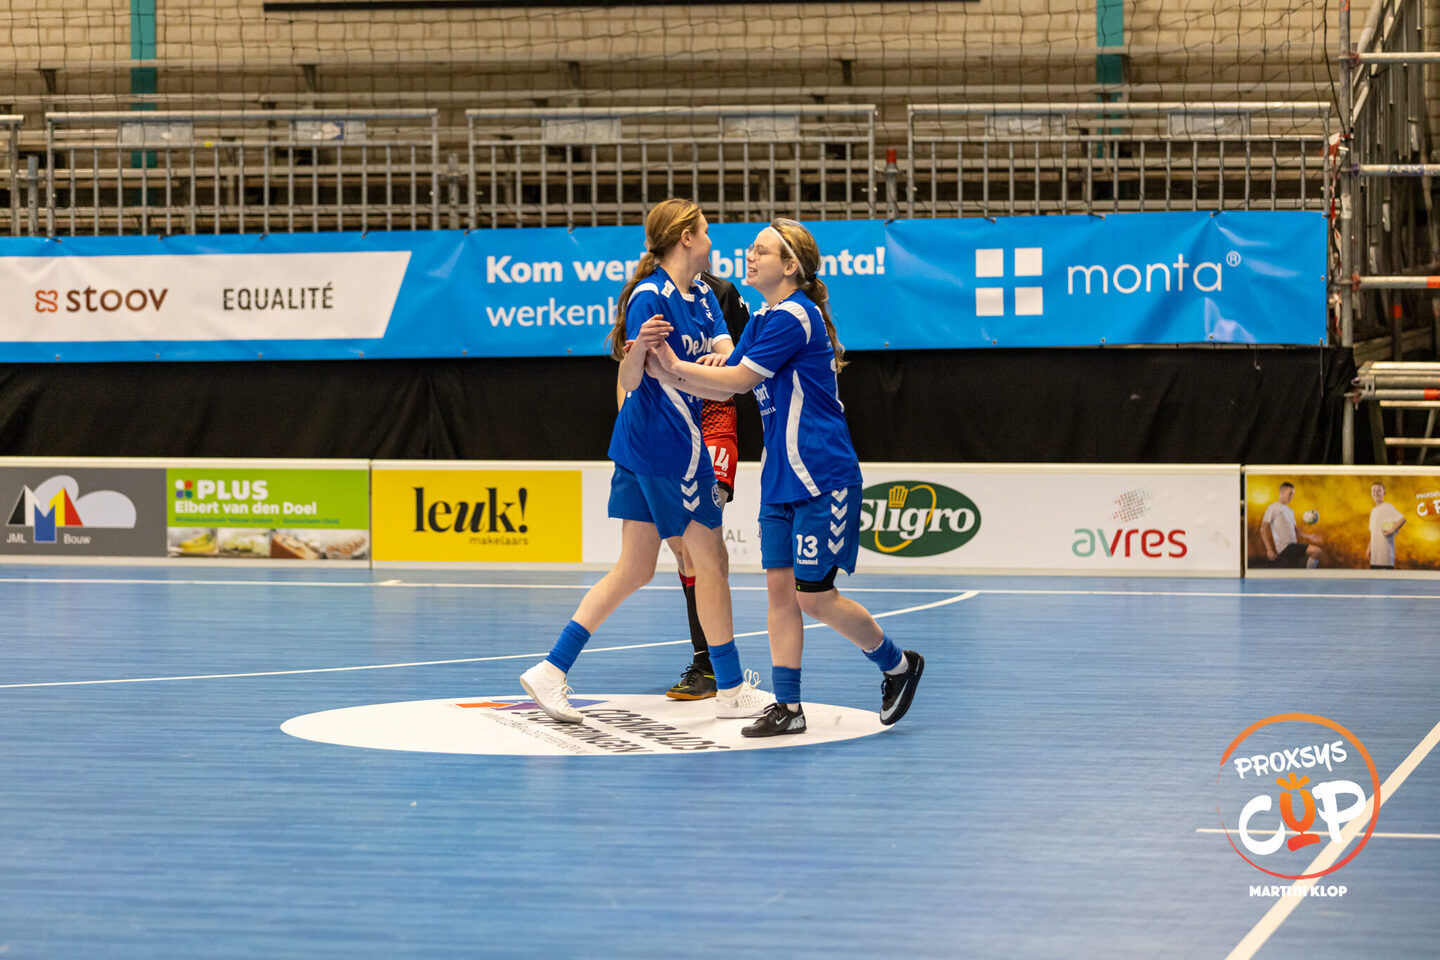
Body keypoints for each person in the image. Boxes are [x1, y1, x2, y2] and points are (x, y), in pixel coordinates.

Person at [640, 218, 924, 737]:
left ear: (790, 266)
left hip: (821, 473)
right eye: (751, 248)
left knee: (813, 596)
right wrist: (678, 366)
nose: (749, 256)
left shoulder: (795, 315)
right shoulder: (764, 317)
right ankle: (788, 707)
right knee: (778, 594)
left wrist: (672, 367)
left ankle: (898, 664)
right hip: (778, 478)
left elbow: (737, 379)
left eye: (762, 251)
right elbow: (727, 381)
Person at [519, 198, 769, 723]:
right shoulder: (648, 296)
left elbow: (724, 352)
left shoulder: (704, 295)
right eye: (705, 232)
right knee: (711, 563)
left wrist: (721, 361)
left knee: (634, 568)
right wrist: (640, 353)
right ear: (685, 238)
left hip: (641, 446)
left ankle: (551, 669)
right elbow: (633, 378)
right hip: (668, 446)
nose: (712, 241)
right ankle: (729, 689)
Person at [665, 272, 750, 701]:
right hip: (670, 428)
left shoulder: (721, 293)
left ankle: (713, 664)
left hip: (714, 422)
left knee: (702, 541)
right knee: (682, 548)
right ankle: (709, 659)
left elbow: (747, 361)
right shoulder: (648, 290)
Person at [1260, 481, 1322, 569]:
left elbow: (1296, 530)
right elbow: (1263, 529)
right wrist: (1269, 549)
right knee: (1316, 551)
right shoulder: (1272, 508)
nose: (1291, 497)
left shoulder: (1290, 511)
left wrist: (1310, 536)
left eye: (1292, 494)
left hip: (1293, 546)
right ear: (1282, 492)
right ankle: (1308, 575)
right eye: (1290, 494)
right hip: (1285, 547)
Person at [1366, 481, 1406, 570]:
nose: (1376, 493)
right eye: (1373, 491)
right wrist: (1369, 548)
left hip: (1385, 556)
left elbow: (1402, 519)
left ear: (1384, 493)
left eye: (1379, 490)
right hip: (1374, 557)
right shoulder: (1373, 511)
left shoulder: (1388, 507)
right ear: (1371, 493)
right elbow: (1373, 533)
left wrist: (1392, 530)